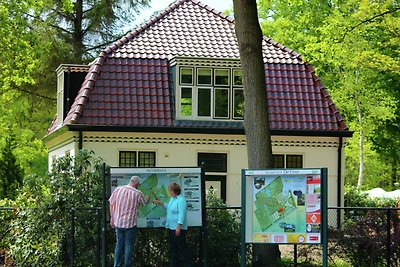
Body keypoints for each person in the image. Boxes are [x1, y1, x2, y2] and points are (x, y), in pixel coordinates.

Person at [109, 176, 150, 267]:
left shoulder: (118, 189)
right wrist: (147, 198)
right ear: (136, 183)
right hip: (130, 224)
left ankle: (117, 265)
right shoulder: (138, 193)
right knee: (129, 245)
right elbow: (144, 203)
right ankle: (127, 265)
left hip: (118, 223)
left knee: (119, 244)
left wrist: (112, 218)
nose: (139, 185)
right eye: (139, 184)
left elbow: (111, 203)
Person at [153, 182, 191, 267]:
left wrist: (179, 226)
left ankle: (187, 264)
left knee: (182, 248)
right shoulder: (172, 199)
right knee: (172, 249)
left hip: (178, 229)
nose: (169, 192)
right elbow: (168, 207)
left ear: (174, 191)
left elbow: (182, 214)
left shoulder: (181, 200)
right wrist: (159, 202)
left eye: (169, 190)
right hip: (170, 227)